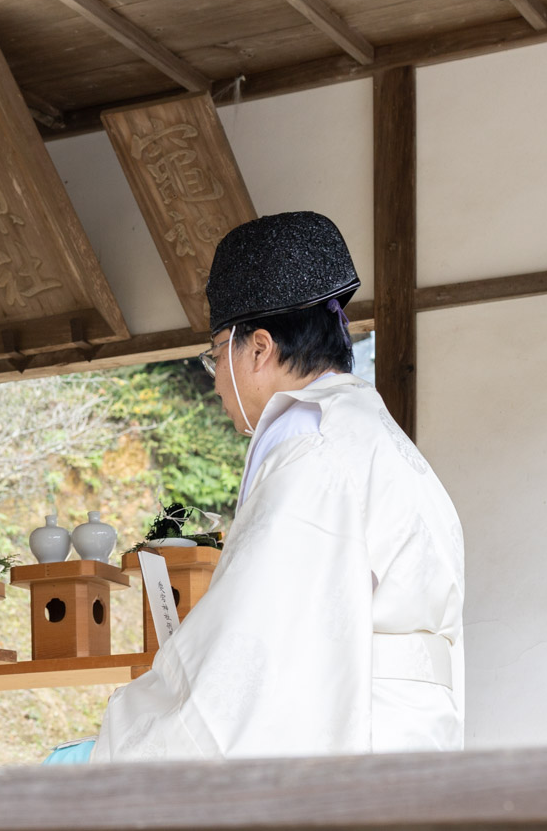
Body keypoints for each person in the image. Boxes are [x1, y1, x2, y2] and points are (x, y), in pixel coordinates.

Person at [81, 211, 465, 761]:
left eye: (216, 354)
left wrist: (127, 735)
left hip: (357, 736)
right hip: (412, 739)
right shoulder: (374, 435)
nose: (215, 379)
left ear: (258, 348)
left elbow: (253, 644)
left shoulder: (310, 443)